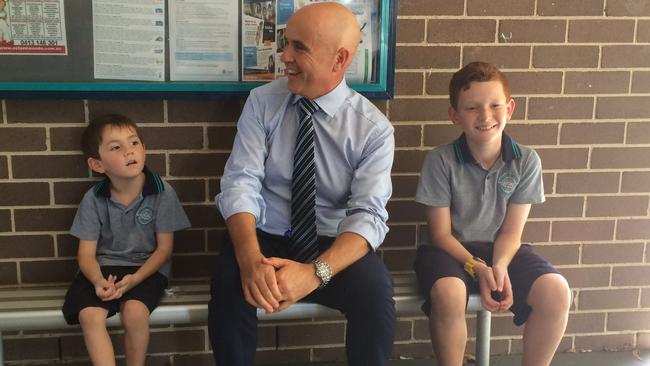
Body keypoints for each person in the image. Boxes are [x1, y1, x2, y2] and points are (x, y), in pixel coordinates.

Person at [209, 3, 396, 365]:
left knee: (375, 294)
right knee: (230, 284)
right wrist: (249, 259)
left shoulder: (372, 130)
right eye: (285, 43)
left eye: (299, 48)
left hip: (332, 243)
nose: (284, 56)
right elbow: (240, 183)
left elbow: (368, 216)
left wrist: (315, 274)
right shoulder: (263, 103)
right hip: (265, 236)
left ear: (339, 60)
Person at [413, 62, 571, 366]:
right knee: (448, 292)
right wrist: (478, 268)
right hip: (449, 252)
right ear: (454, 115)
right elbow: (440, 234)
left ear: (509, 108)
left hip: (503, 250)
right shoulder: (440, 161)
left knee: (557, 291)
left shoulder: (526, 160)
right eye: (472, 108)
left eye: (495, 105)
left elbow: (512, 232)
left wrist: (499, 266)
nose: (485, 116)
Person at [61, 114, 190, 366]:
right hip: (105, 268)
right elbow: (86, 255)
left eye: (134, 143)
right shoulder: (93, 198)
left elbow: (164, 250)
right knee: (89, 315)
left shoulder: (162, 192)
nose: (129, 151)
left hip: (147, 268)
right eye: (116, 147)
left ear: (144, 149)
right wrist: (98, 280)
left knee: (133, 312)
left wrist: (135, 279)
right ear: (98, 165)